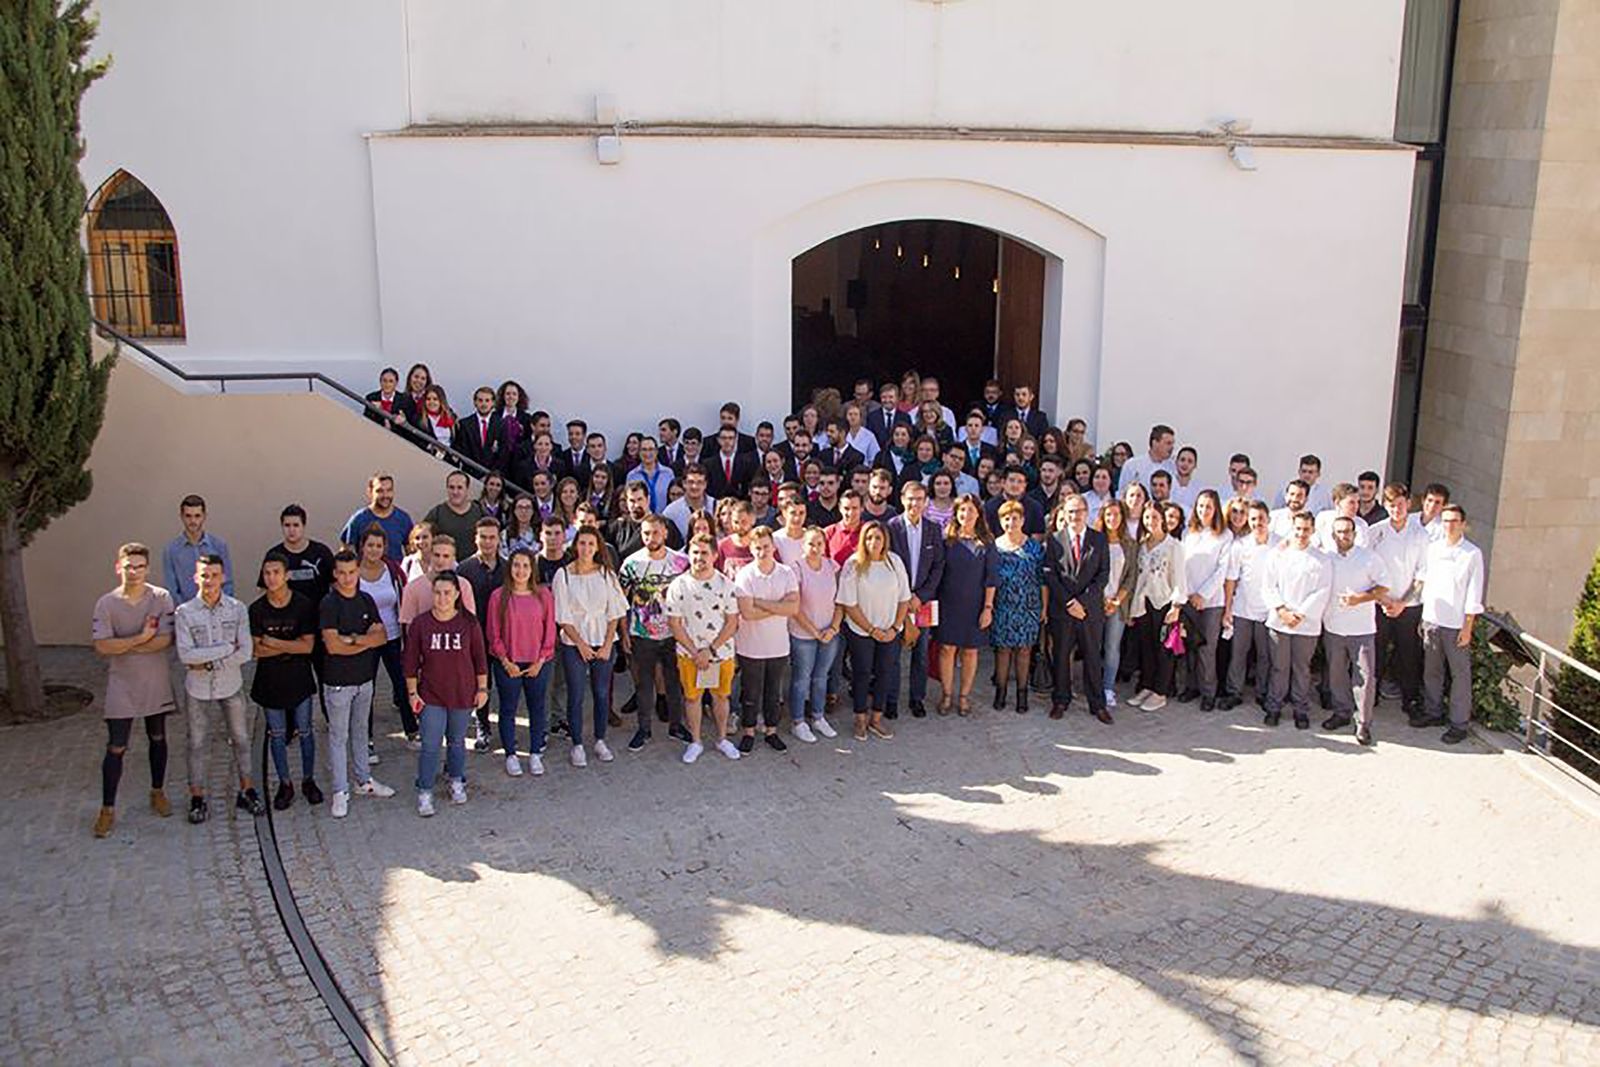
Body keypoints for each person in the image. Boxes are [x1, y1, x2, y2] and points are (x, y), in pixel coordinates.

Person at [90, 543, 178, 838]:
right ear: (119, 567)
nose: (135, 571)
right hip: (121, 683)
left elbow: (164, 641)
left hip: (155, 680)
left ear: (148, 568)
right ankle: (107, 809)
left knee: (158, 737)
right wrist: (141, 638)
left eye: (140, 566)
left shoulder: (161, 598)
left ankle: (157, 791)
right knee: (116, 746)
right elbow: (102, 646)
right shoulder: (105, 604)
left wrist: (124, 644)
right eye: (129, 566)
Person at [175, 554, 259, 823]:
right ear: (195, 578)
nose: (209, 581)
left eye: (214, 575)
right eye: (204, 575)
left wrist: (206, 661)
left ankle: (247, 789)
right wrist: (224, 649)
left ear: (223, 577)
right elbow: (186, 655)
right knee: (197, 744)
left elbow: (245, 652)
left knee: (242, 740)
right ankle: (197, 797)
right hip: (197, 690)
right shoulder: (184, 613)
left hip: (231, 686)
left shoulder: (237, 609)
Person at [402, 571, 488, 816]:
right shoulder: (420, 624)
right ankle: (425, 790)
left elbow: (479, 659)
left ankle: (456, 780)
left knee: (457, 742)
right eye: (437, 593)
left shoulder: (469, 622)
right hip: (431, 695)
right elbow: (410, 663)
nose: (442, 598)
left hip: (462, 693)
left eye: (447, 593)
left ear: (457, 594)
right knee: (430, 744)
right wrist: (412, 693)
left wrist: (482, 689)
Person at [320, 550, 398, 817]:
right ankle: (340, 791)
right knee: (338, 737)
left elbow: (382, 637)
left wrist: (352, 640)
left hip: (364, 680)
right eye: (341, 572)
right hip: (338, 683)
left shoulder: (365, 599)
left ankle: (364, 780)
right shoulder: (329, 604)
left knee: (361, 731)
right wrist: (362, 641)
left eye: (352, 572)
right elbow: (332, 645)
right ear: (334, 574)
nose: (347, 578)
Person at [251, 550, 322, 811]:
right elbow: (257, 650)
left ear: (286, 575)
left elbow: (307, 647)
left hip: (299, 678)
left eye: (276, 573)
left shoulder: (303, 605)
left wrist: (275, 642)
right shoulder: (256, 609)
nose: (271, 578)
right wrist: (290, 645)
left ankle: (308, 780)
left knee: (305, 732)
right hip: (269, 680)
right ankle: (285, 783)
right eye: (267, 573)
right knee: (277, 735)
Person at [552, 527, 628, 767]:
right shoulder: (563, 575)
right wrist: (581, 644)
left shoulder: (606, 574)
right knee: (575, 694)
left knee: (601, 692)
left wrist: (607, 644)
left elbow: (615, 611)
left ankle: (600, 739)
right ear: (575, 546)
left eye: (591, 544)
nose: (586, 548)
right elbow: (562, 616)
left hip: (603, 639)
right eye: (582, 543)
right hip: (574, 642)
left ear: (598, 548)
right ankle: (577, 744)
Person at [665, 535, 743, 763]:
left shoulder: (726, 585)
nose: (699, 558)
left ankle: (721, 739)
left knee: (721, 697)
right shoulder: (678, 585)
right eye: (695, 553)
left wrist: (710, 650)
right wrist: (695, 652)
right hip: (689, 655)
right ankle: (696, 741)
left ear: (715, 556)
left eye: (704, 553)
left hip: (721, 654)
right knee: (692, 698)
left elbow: (732, 622)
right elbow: (674, 624)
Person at [618, 514, 692, 752]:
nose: (651, 538)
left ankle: (676, 725)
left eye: (655, 532)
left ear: (666, 533)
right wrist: (624, 633)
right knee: (644, 684)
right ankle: (644, 728)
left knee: (673, 682)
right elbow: (621, 600)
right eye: (646, 533)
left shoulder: (681, 562)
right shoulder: (631, 563)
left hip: (674, 634)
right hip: (642, 634)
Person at [836, 520, 912, 741]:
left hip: (890, 631)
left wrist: (895, 627)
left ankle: (876, 719)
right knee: (861, 674)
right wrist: (871, 629)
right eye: (869, 537)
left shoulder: (894, 562)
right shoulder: (853, 564)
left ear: (885, 540)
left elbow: (904, 598)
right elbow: (849, 603)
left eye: (878, 537)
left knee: (884, 673)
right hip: (861, 632)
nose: (873, 542)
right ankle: (860, 719)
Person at [1415, 504, 1484, 744]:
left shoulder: (1472, 554)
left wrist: (1468, 627)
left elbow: (1474, 595)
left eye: (1454, 521)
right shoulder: (1433, 549)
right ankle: (1433, 712)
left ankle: (1459, 723)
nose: (1450, 525)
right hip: (1432, 619)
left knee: (1459, 675)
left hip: (1456, 625)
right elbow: (1426, 583)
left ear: (1463, 524)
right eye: (1445, 521)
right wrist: (1423, 616)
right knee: (1431, 671)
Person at [486, 548, 558, 776]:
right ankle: (511, 754)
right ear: (510, 568)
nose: (521, 570)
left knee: (537, 708)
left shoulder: (544, 595)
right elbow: (493, 633)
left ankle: (535, 752)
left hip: (538, 663)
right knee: (508, 709)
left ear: (532, 569)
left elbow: (550, 632)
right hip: (509, 664)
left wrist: (541, 659)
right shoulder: (499, 596)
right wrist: (506, 661)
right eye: (516, 565)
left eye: (526, 565)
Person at [1321, 515, 1389, 745]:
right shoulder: (1327, 559)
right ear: (1333, 535)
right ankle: (1341, 713)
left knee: (1365, 677)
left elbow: (1383, 588)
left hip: (1362, 629)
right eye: (1339, 532)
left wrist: (1360, 598)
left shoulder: (1369, 558)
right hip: (1333, 626)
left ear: (1354, 533)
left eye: (1347, 531)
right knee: (1336, 674)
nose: (1343, 536)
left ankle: (1363, 724)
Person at [1043, 493, 1111, 722]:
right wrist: (1070, 603)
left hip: (1089, 611)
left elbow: (1103, 576)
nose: (1075, 515)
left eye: (1079, 510)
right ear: (1064, 513)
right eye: (1070, 511)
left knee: (1092, 656)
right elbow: (1050, 575)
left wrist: (1082, 602)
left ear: (1086, 512)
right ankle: (1060, 700)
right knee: (1061, 656)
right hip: (1063, 610)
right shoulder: (1053, 539)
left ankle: (1097, 704)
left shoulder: (1099, 540)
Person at [1262, 511, 1333, 729]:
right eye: (1298, 529)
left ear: (1312, 531)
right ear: (1292, 529)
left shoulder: (1322, 559)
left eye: (1306, 529)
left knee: (1302, 669)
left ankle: (1301, 710)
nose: (1301, 533)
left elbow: (1323, 591)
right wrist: (1282, 611)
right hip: (1280, 621)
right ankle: (1274, 707)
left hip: (1306, 624)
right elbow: (1268, 586)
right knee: (1279, 668)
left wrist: (1301, 614)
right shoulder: (1277, 555)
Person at [732, 527, 800, 751]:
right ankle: (749, 731)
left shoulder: (786, 573)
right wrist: (779, 607)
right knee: (750, 692)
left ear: (774, 547)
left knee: (773, 691)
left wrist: (760, 602)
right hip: (751, 645)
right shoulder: (745, 575)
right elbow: (747, 614)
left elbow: (794, 607)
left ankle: (772, 731)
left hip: (778, 645)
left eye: (766, 547)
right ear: (751, 549)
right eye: (758, 548)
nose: (762, 552)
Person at [1368, 482, 1429, 719]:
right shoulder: (1375, 532)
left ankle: (1410, 700)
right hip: (1379, 603)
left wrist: (1402, 603)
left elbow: (1422, 574)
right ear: (1385, 505)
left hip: (1409, 606)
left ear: (1409, 504)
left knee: (1408, 653)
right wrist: (1383, 600)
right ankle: (1369, 697)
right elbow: (1369, 569)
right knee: (1376, 651)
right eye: (1392, 505)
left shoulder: (1420, 535)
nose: (1397, 509)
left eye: (1401, 505)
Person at [886, 480, 945, 718]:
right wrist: (904, 596)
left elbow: (939, 566)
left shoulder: (933, 529)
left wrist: (921, 596)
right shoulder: (891, 527)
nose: (915, 503)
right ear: (902, 499)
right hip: (896, 601)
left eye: (920, 499)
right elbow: (886, 563)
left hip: (924, 601)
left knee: (920, 654)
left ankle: (916, 698)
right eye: (911, 498)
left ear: (926, 502)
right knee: (893, 654)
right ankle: (890, 699)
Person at [934, 495, 998, 715]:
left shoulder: (988, 542)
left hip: (976, 605)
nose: (966, 515)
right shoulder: (947, 540)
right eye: (962, 510)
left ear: (979, 513)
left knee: (970, 651)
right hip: (948, 604)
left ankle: (963, 697)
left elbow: (991, 578)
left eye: (971, 510)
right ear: (956, 513)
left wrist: (988, 608)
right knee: (947, 649)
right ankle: (947, 695)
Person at [356, 525, 413, 744]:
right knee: (366, 690)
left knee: (401, 683)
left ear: (385, 548)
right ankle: (366, 739)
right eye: (370, 545)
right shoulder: (354, 572)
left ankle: (412, 730)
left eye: (378, 546)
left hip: (392, 637)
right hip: (366, 641)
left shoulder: (392, 570)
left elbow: (404, 597)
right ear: (362, 547)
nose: (374, 550)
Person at [786, 526, 843, 741]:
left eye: (819, 543)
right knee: (802, 679)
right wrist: (814, 631)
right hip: (804, 635)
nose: (815, 548)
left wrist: (833, 628)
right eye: (811, 543)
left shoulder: (831, 565)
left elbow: (840, 600)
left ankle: (818, 717)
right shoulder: (796, 568)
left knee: (821, 677)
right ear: (803, 545)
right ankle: (798, 721)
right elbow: (795, 606)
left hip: (829, 633)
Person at [989, 500, 1047, 713]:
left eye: (1015, 518)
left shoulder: (1034, 547)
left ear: (1022, 520)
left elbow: (1042, 578)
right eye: (1006, 518)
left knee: (1024, 651)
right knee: (1003, 651)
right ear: (1001, 521)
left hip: (1028, 606)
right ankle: (1001, 692)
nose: (1011, 522)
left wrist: (1044, 607)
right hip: (1002, 605)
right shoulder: (994, 546)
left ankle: (1022, 694)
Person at [1219, 501, 1277, 711]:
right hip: (1242, 607)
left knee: (1264, 655)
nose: (1257, 522)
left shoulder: (1280, 544)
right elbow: (1231, 579)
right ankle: (1234, 692)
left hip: (1268, 610)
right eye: (1253, 518)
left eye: (1261, 518)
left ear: (1268, 519)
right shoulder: (1240, 545)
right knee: (1238, 653)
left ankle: (1262, 693)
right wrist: (1227, 609)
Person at [1128, 501, 1185, 711]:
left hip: (1164, 603)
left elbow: (1179, 578)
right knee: (1147, 648)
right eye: (1146, 517)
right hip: (1143, 603)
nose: (1150, 522)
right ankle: (1147, 685)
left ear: (1162, 519)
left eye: (1154, 517)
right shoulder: (1142, 544)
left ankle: (1160, 691)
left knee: (1164, 650)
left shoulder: (1173, 546)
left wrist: (1176, 606)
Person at [1179, 490, 1232, 709]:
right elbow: (1181, 563)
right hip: (1188, 599)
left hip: (1211, 602)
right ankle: (1191, 686)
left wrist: (1203, 594)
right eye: (1200, 506)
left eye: (1208, 506)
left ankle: (1208, 692)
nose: (1203, 510)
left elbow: (1222, 570)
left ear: (1216, 509)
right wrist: (1188, 594)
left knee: (1207, 649)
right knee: (1189, 645)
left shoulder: (1224, 535)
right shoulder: (1188, 533)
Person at [456, 517, 505, 750]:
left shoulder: (508, 568)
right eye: (483, 537)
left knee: (506, 686)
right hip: (475, 638)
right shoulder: (464, 570)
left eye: (492, 537)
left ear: (499, 539)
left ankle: (506, 728)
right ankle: (483, 727)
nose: (487, 542)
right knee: (480, 685)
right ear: (476, 538)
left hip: (504, 638)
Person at [1095, 499, 1139, 710]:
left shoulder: (1129, 544)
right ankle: (1093, 686)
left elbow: (1131, 576)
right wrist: (1102, 598)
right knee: (1093, 647)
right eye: (1108, 514)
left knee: (1112, 647)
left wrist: (1116, 600)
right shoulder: (1095, 541)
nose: (1112, 519)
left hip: (1117, 603)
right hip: (1096, 602)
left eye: (1116, 515)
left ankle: (1108, 688)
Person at [163, 494, 233, 605]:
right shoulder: (172, 550)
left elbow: (227, 583)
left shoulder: (219, 546)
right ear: (181, 516)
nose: (193, 521)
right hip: (185, 614)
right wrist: (186, 612)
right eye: (188, 516)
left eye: (197, 516)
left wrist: (221, 609)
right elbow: (172, 589)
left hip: (217, 612)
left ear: (204, 516)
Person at [399, 535, 478, 624]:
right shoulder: (412, 588)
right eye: (437, 555)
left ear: (453, 559)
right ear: (430, 556)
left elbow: (470, 622)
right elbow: (409, 626)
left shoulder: (464, 586)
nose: (440, 560)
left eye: (446, 556)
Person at [340, 472, 414, 562]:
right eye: (380, 491)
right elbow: (346, 553)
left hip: (395, 574)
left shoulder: (403, 519)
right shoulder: (359, 519)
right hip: (365, 574)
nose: (385, 495)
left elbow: (412, 554)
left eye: (389, 490)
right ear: (370, 492)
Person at [423, 471, 488, 561]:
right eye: (451, 487)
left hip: (474, 568)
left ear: (467, 489)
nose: (455, 492)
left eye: (460, 488)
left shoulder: (480, 512)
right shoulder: (436, 514)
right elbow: (423, 541)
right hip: (445, 569)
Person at [983, 465, 1047, 538]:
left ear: (1025, 485)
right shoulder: (989, 507)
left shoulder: (1035, 507)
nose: (1015, 485)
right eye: (1011, 480)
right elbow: (986, 536)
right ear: (1003, 482)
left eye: (1020, 481)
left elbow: (1037, 537)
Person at [451, 386, 504, 474]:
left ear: (493, 403)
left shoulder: (501, 424)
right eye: (480, 400)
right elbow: (463, 451)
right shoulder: (464, 424)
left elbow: (503, 453)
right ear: (475, 402)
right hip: (471, 474)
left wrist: (492, 474)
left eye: (487, 400)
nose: (483, 404)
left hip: (493, 478)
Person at [1118, 424, 1177, 499]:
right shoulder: (1132, 465)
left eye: (1172, 444)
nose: (1172, 447)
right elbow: (1122, 493)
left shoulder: (1174, 467)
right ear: (1155, 443)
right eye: (1168, 443)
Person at [662, 463, 715, 541]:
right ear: (684, 483)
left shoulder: (716, 506)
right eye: (691, 482)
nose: (695, 486)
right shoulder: (670, 512)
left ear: (705, 484)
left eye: (699, 482)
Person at [625, 436, 676, 513]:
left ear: (656, 452)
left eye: (651, 449)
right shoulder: (632, 476)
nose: (647, 453)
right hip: (641, 520)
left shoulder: (668, 473)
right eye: (644, 450)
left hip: (665, 520)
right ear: (639, 452)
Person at [417, 384, 456, 448]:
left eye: (435, 399)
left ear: (441, 401)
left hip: (449, 455)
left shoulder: (452, 418)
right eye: (428, 399)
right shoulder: (419, 419)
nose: (431, 402)